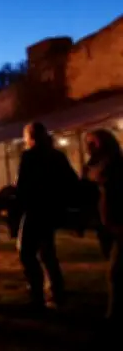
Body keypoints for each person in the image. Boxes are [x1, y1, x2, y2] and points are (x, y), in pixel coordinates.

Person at [15, 122, 76, 310]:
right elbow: (71, 181)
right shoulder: (57, 156)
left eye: (25, 135)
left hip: (35, 209)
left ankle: (37, 294)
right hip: (51, 211)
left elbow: (23, 186)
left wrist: (16, 201)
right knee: (47, 252)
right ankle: (55, 293)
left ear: (30, 136)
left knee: (26, 251)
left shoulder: (30, 156)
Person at [82, 129, 123, 322]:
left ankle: (112, 314)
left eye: (93, 142)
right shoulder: (92, 164)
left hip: (119, 222)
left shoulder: (115, 163)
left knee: (115, 271)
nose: (89, 147)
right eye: (87, 143)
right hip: (104, 223)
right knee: (113, 264)